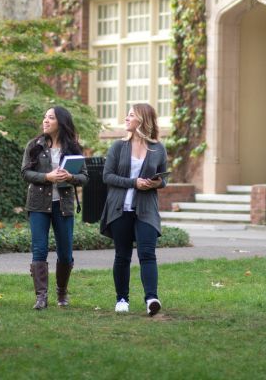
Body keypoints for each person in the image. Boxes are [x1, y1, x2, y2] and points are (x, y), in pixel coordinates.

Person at [100, 103, 168, 316]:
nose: (126, 118)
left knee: (148, 253)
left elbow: (164, 178)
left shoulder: (158, 148)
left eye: (131, 115)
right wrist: (134, 183)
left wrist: (156, 183)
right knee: (122, 255)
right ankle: (122, 299)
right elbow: (107, 176)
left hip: (146, 209)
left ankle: (151, 299)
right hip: (120, 208)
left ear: (142, 120)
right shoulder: (118, 147)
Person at [21, 106, 89, 309]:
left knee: (66, 253)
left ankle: (62, 293)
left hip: (64, 206)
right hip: (38, 205)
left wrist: (70, 177)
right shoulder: (34, 145)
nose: (45, 121)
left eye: (50, 118)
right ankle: (41, 297)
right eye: (45, 117)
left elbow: (84, 177)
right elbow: (25, 173)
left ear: (61, 122)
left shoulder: (74, 148)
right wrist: (47, 177)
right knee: (39, 250)